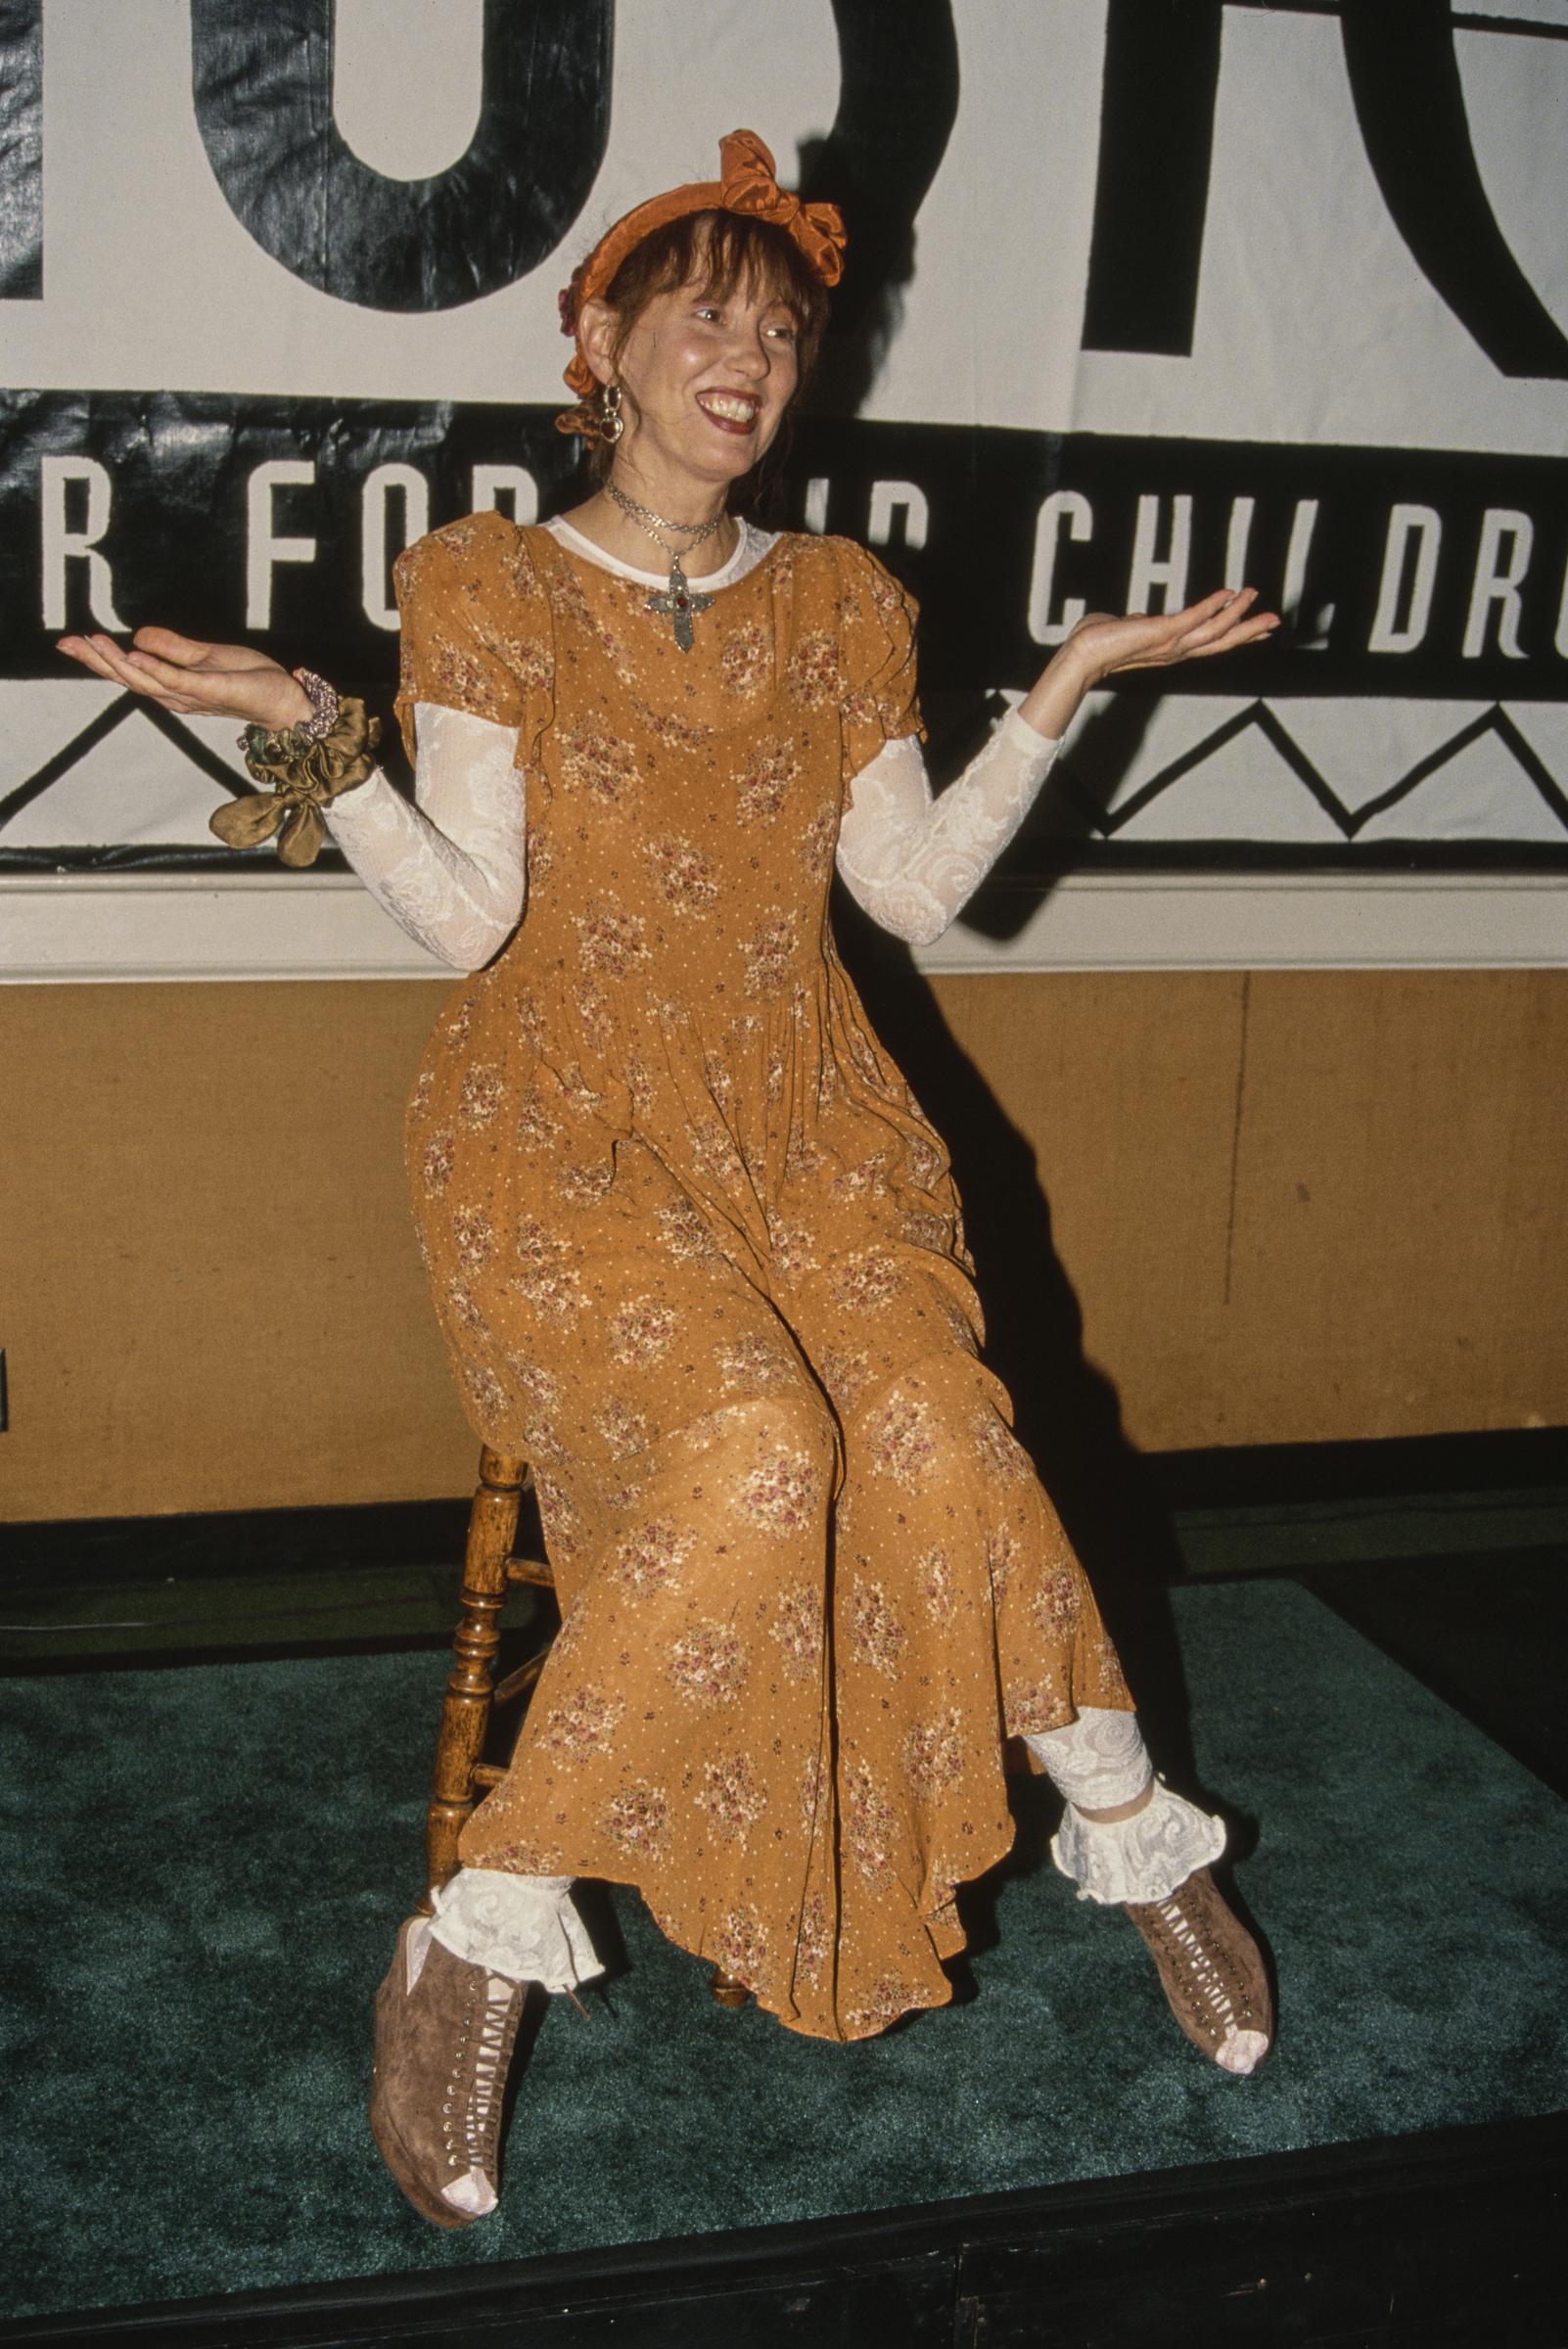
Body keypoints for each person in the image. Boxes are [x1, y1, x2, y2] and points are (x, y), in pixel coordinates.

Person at [60, 130, 1281, 2232]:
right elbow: (464, 924)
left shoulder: (841, 603)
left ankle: (1134, 1828)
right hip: (564, 1127)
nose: (749, 357)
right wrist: (318, 734)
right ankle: (485, 1926)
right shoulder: (491, 582)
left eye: (784, 332)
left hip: (813, 1125)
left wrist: (1060, 695)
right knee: (752, 1451)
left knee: (933, 1418)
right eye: (703, 316)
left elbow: (903, 888)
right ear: (601, 344)